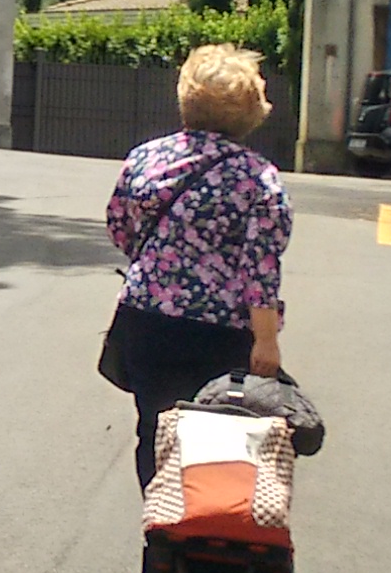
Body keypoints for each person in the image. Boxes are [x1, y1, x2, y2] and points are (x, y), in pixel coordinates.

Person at [105, 45, 292, 490]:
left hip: (147, 321)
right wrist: (266, 342)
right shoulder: (259, 178)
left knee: (155, 429)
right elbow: (260, 271)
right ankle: (207, 530)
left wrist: (159, 267)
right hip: (222, 334)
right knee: (221, 438)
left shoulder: (146, 158)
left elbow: (119, 227)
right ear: (251, 111)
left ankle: (162, 528)